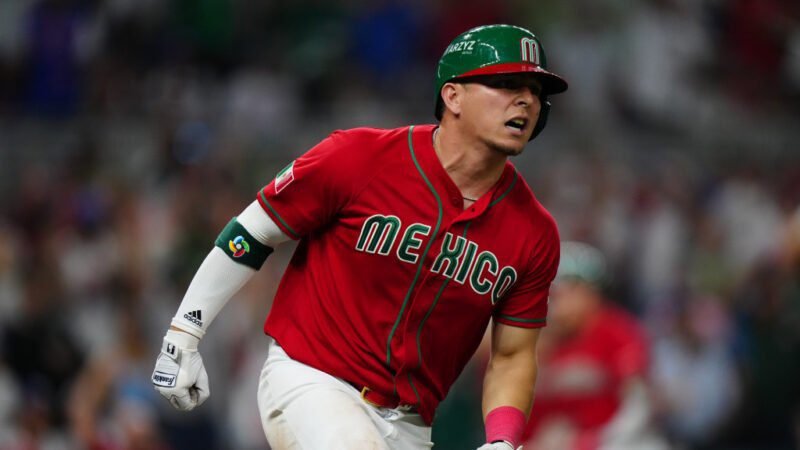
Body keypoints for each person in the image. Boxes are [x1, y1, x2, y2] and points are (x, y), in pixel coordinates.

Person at [151, 24, 568, 450]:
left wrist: (503, 440)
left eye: (536, 91)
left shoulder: (534, 232)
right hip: (312, 381)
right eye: (507, 84)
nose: (527, 100)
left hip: (411, 425)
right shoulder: (360, 157)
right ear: (453, 96)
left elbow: (513, 354)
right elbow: (251, 234)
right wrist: (184, 333)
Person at [522, 242, 666, 450]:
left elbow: (638, 406)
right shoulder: (539, 340)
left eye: (560, 293)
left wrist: (587, 443)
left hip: (615, 442)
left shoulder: (618, 332)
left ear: (589, 293)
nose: (552, 302)